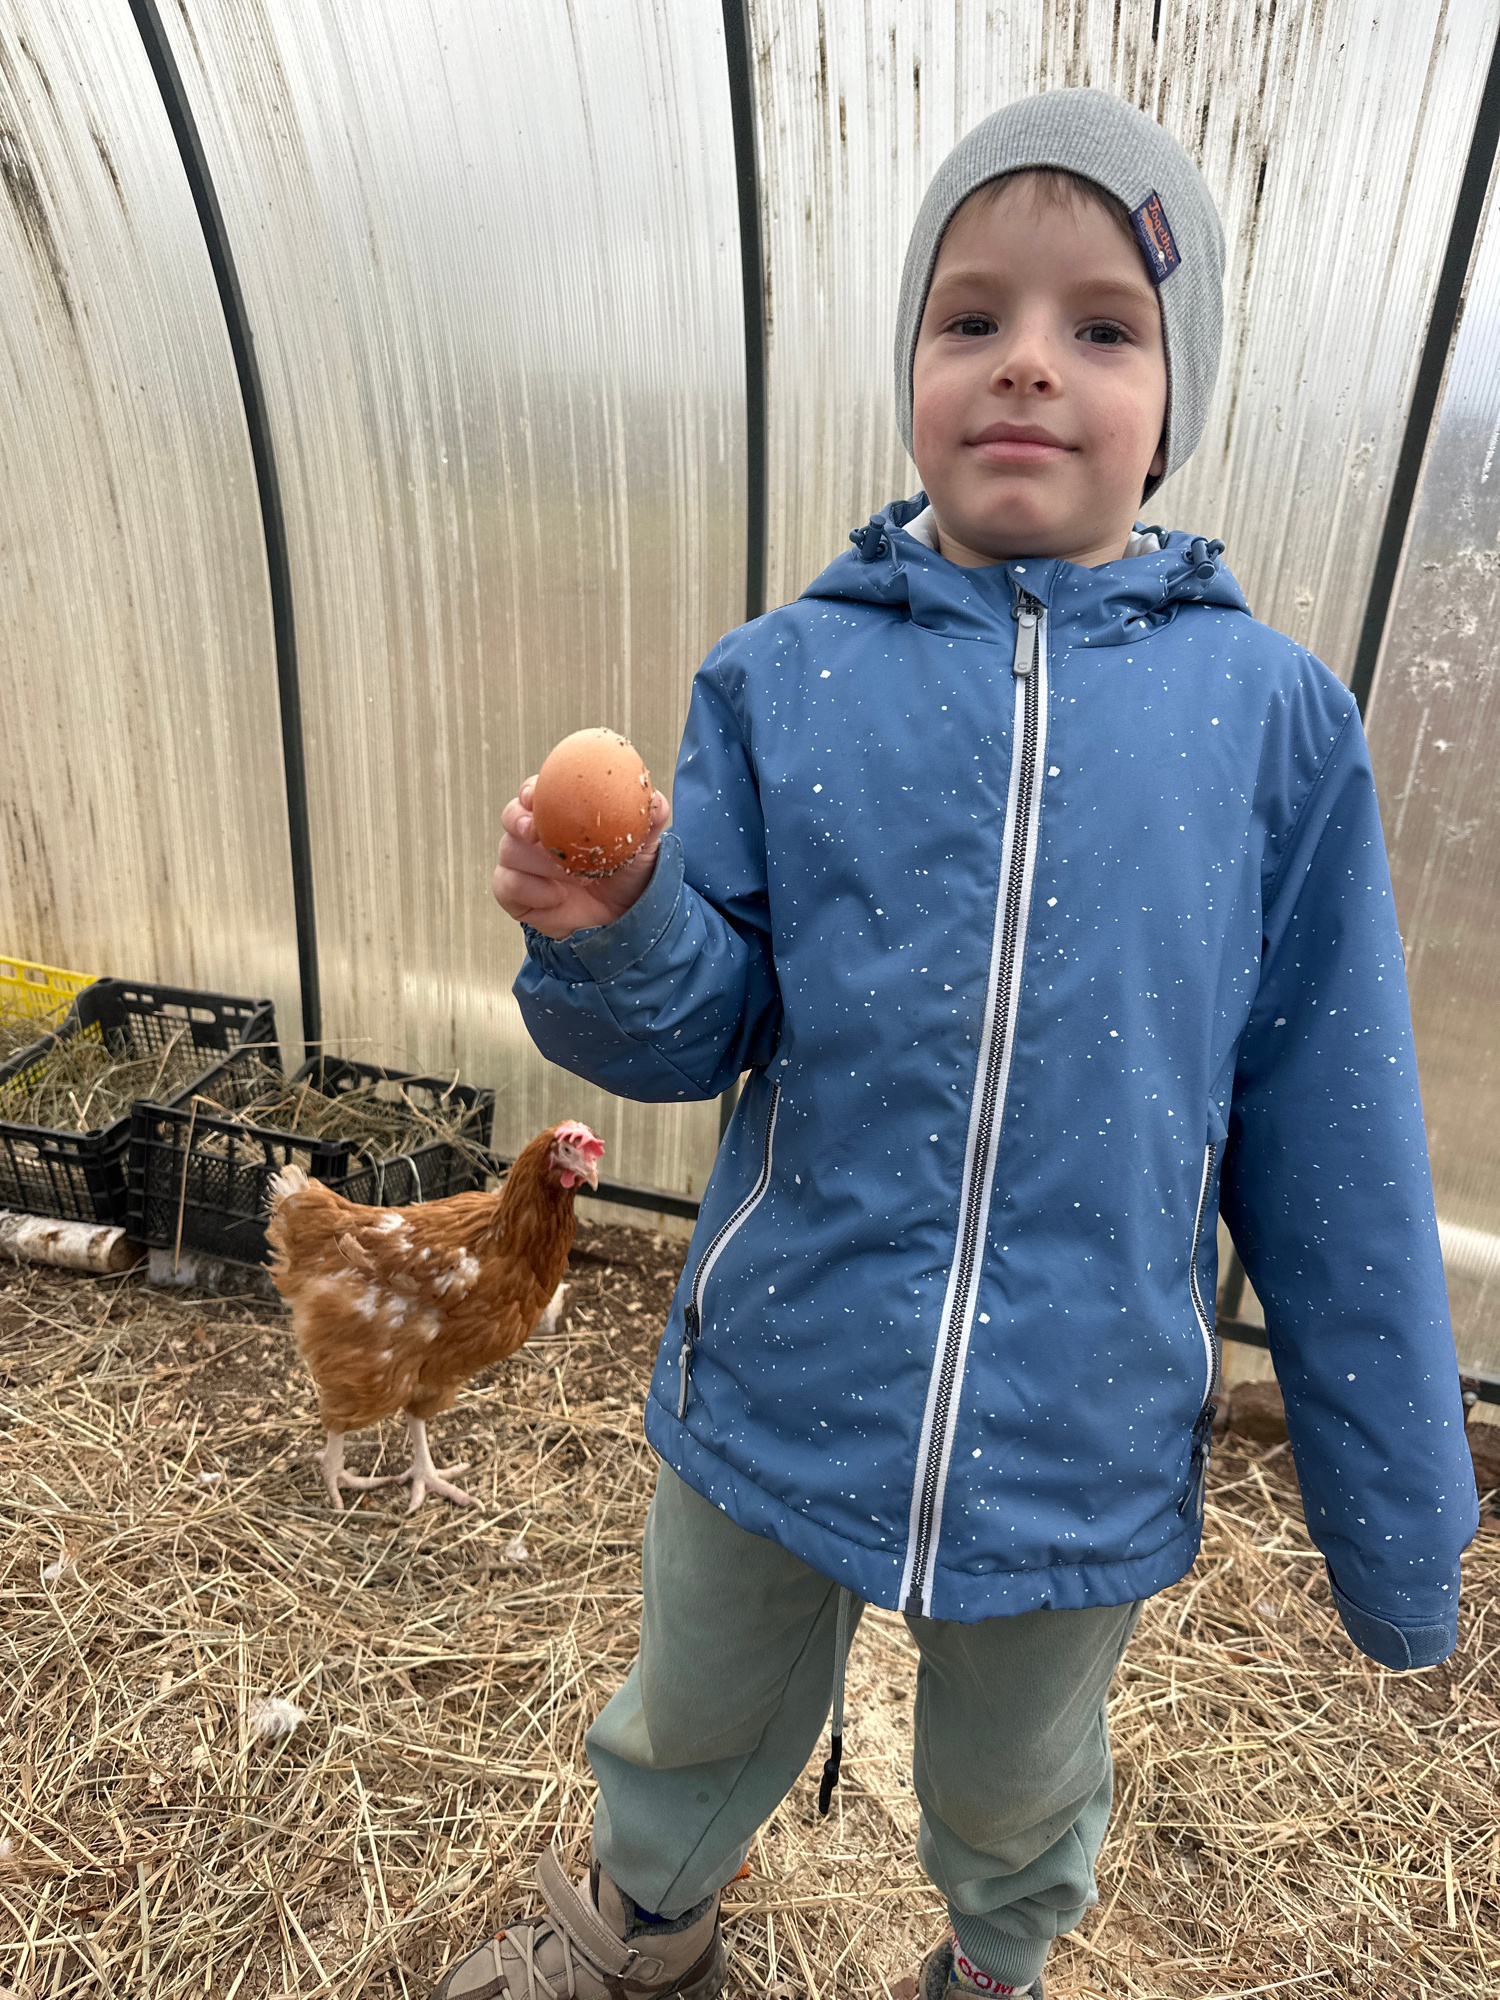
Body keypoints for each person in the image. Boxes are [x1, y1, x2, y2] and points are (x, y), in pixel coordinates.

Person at [439, 88, 1478, 2000]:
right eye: (970, 315)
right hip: (783, 1368)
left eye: (1104, 326)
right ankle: (644, 1924)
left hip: (1078, 1428)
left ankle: (993, 1968)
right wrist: (621, 929)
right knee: (695, 1703)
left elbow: (1332, 1128)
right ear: (911, 365)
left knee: (1018, 1783)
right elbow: (704, 1029)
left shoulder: (1270, 727)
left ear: (1175, 395)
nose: (1027, 363)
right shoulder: (784, 679)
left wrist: (1400, 1520)